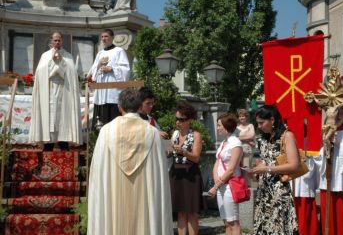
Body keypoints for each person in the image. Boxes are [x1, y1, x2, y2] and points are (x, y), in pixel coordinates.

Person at [87, 89, 173, 235]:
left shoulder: (107, 131)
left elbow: (98, 173)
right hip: (144, 204)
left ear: (119, 106)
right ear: (140, 106)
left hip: (114, 200)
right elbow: (160, 175)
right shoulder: (152, 133)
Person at [29, 32, 82, 151]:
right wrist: (51, 61)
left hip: (64, 92)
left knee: (63, 118)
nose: (57, 42)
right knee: (50, 118)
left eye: (59, 40)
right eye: (55, 40)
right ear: (51, 41)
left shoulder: (68, 56)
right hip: (49, 90)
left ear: (62, 41)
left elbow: (72, 74)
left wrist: (62, 61)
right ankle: (48, 146)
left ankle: (64, 145)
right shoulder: (45, 55)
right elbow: (39, 73)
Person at [251, 105, 299, 234]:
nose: (259, 126)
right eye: (257, 123)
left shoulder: (286, 136)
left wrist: (267, 169)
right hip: (263, 192)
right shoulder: (263, 140)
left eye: (262, 123)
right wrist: (256, 172)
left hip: (279, 191)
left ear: (272, 120)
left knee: (278, 229)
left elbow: (294, 165)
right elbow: (264, 162)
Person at [314, 107, 343, 235]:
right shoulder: (324, 133)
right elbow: (318, 159)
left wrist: (338, 142)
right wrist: (326, 149)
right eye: (333, 114)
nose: (336, 117)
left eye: (339, 114)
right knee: (330, 224)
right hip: (327, 186)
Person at [169, 101, 204, 235]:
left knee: (192, 212)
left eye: (181, 119)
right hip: (176, 174)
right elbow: (168, 154)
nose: (178, 122)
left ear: (189, 120)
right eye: (177, 119)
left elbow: (196, 157)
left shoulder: (196, 135)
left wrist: (183, 151)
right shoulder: (175, 134)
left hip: (190, 175)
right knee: (181, 212)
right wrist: (166, 149)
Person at [208, 113, 243, 235]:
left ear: (226, 126)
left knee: (233, 221)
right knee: (226, 222)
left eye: (219, 125)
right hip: (221, 185)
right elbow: (217, 162)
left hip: (230, 186)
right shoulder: (224, 143)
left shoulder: (236, 143)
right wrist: (216, 181)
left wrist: (216, 185)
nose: (217, 128)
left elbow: (231, 169)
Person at [87, 29, 130, 130]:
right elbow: (92, 73)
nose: (103, 39)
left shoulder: (119, 51)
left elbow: (126, 69)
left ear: (112, 37)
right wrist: (98, 65)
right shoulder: (100, 53)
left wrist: (111, 69)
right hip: (101, 93)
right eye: (102, 37)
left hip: (113, 93)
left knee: (113, 124)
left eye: (106, 36)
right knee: (100, 124)